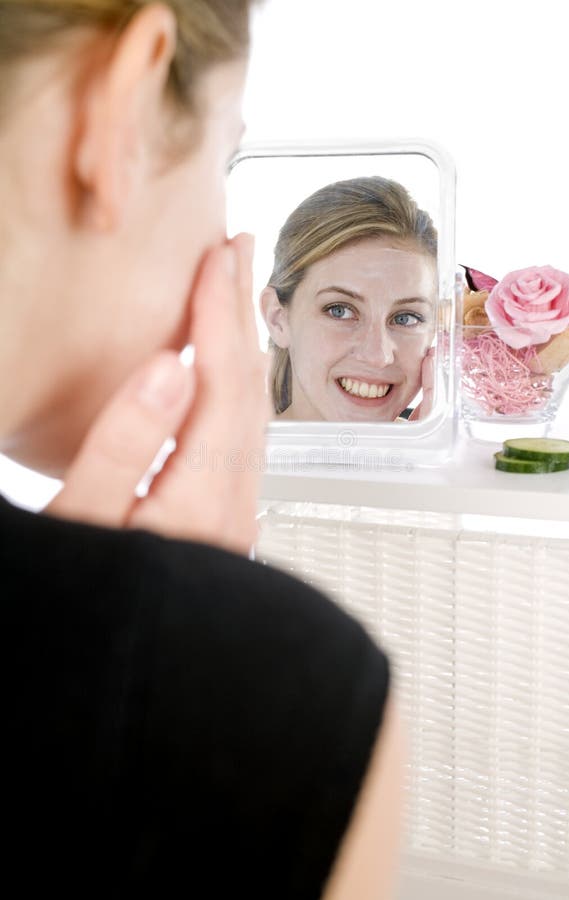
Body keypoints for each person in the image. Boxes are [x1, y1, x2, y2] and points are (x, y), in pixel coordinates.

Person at [0, 2, 405, 898]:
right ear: (123, 108)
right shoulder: (277, 692)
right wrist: (189, 673)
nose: (380, 353)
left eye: (407, 317)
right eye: (226, 158)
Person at [260, 176, 438, 421]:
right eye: (339, 310)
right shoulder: (216, 456)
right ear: (277, 319)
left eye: (406, 318)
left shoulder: (464, 455)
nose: (378, 356)